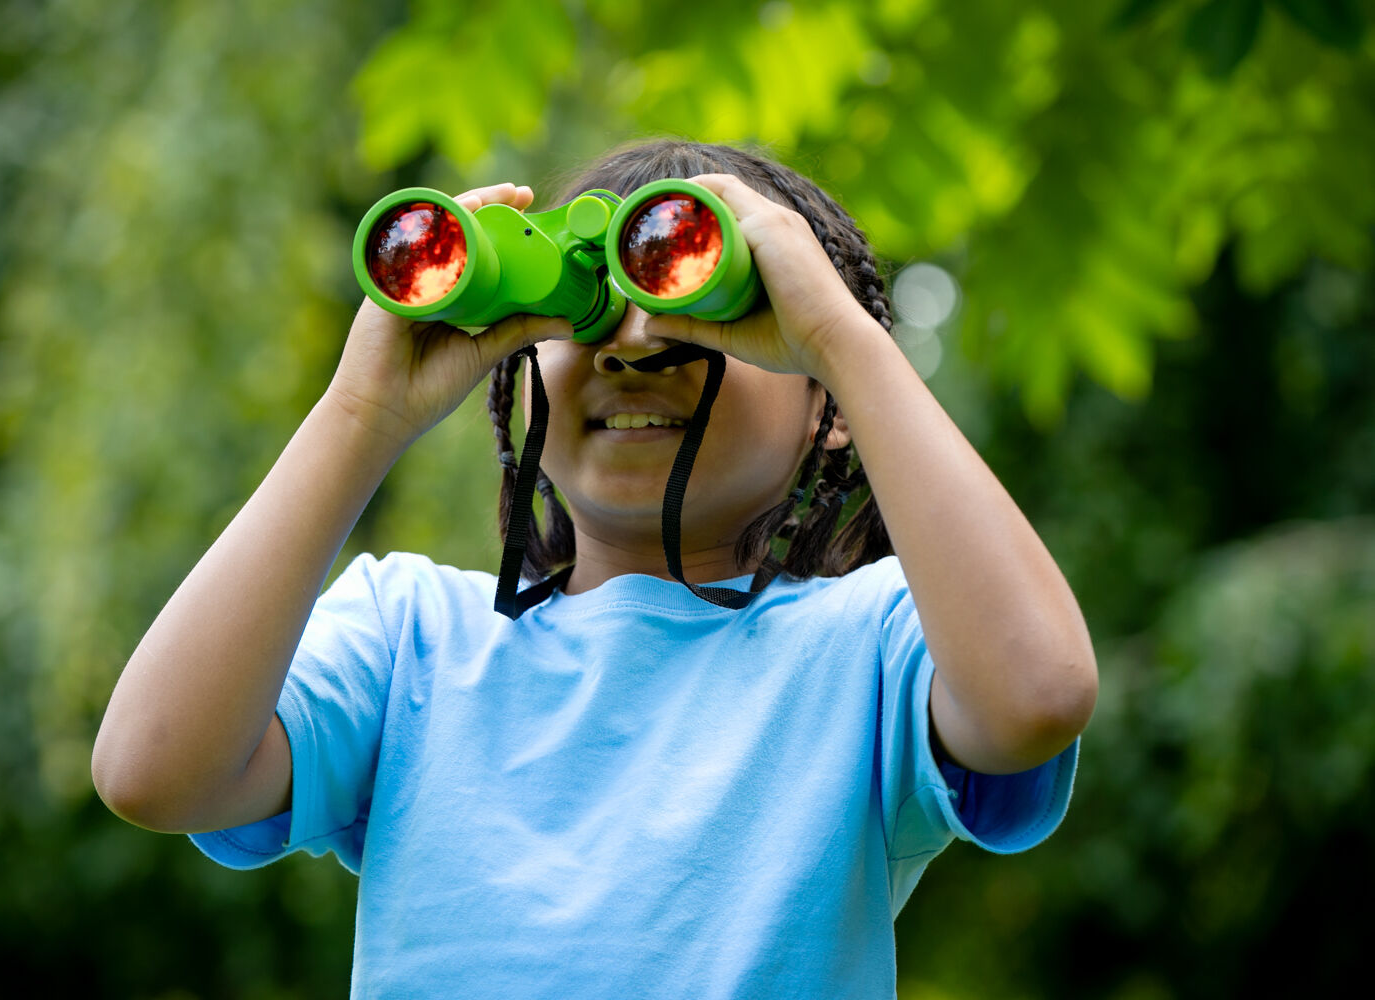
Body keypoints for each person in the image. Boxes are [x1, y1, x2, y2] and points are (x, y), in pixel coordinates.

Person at [92, 138, 1098, 998]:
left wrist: (841, 337)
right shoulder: (408, 638)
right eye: (584, 310)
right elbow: (153, 770)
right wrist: (361, 416)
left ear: (826, 410)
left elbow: (1038, 695)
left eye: (704, 306)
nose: (632, 346)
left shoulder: (870, 646)